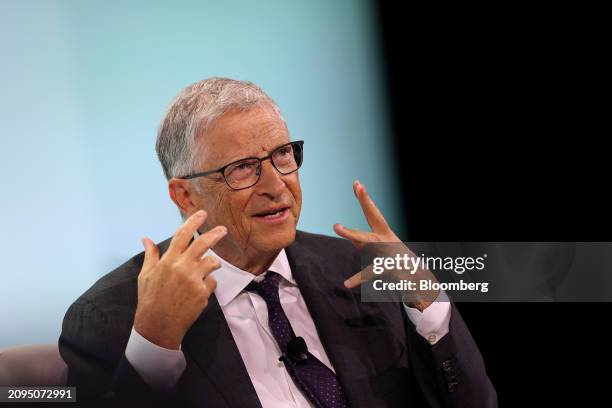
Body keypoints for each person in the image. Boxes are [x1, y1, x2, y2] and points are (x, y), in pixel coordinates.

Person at [59, 77, 497, 407]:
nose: (277, 185)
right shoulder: (113, 316)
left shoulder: (358, 270)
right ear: (185, 194)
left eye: (282, 155)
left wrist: (429, 307)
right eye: (244, 168)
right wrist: (154, 346)